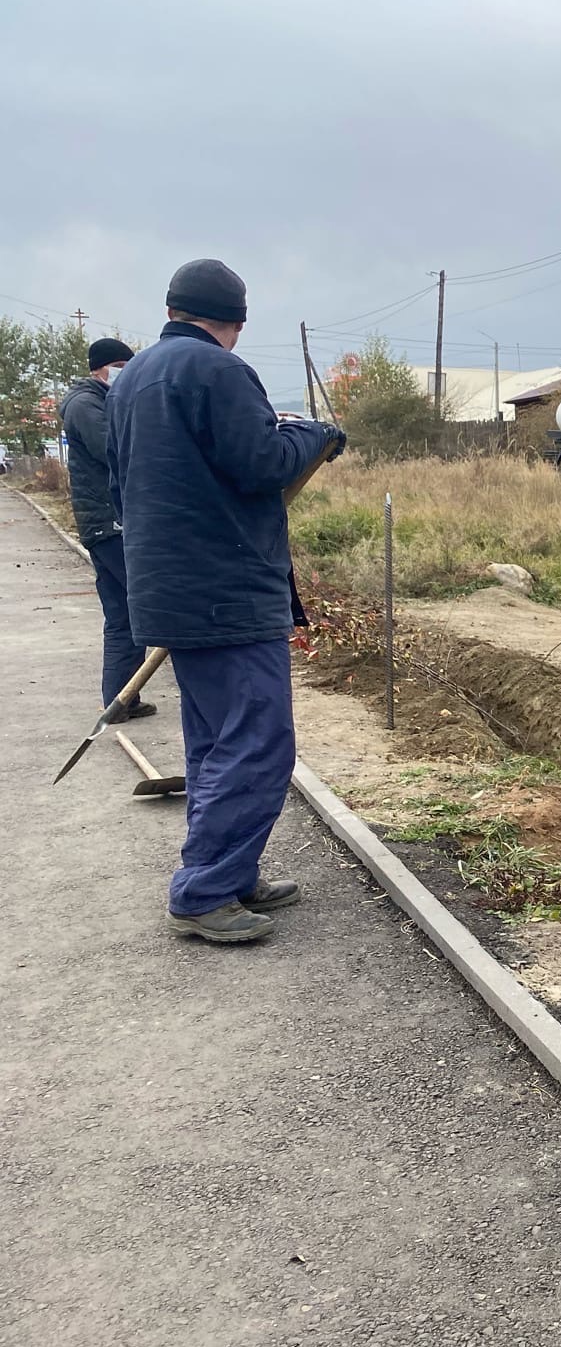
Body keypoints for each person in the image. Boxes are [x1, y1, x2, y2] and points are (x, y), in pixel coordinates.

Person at [107, 259, 344, 944]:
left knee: (216, 742)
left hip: (170, 584)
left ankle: (232, 873)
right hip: (226, 588)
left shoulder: (135, 378)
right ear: (233, 321)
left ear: (174, 309)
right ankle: (205, 890)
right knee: (259, 742)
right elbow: (262, 464)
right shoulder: (217, 371)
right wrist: (314, 434)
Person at [59, 337, 151, 718]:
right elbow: (113, 448)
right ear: (103, 368)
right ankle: (121, 696)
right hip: (109, 522)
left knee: (122, 615)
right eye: (121, 367)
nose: (125, 374)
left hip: (105, 521)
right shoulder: (85, 404)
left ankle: (120, 699)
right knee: (144, 603)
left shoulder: (97, 400)